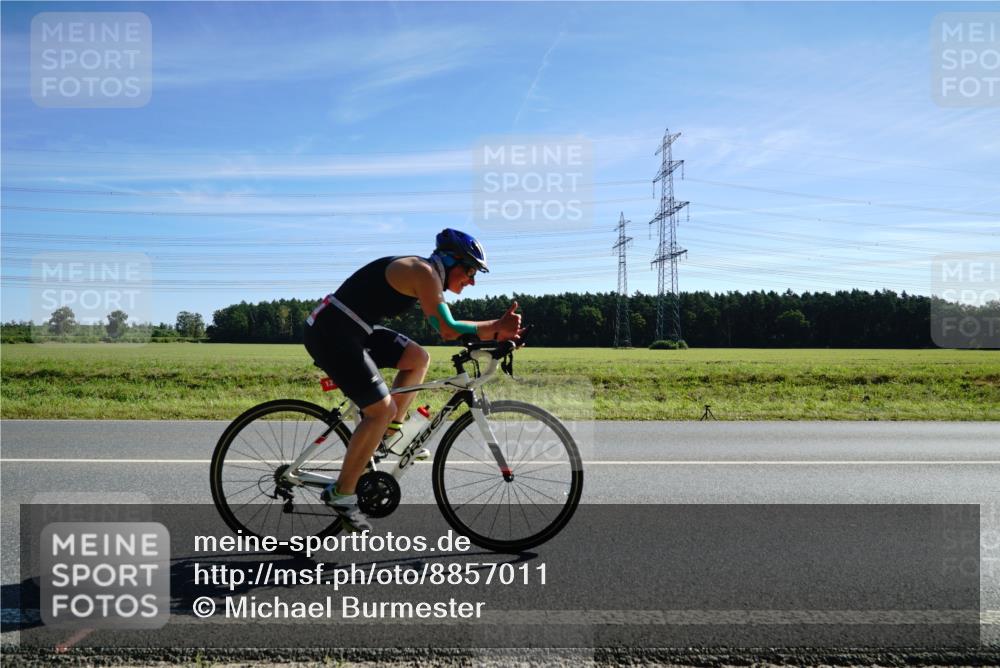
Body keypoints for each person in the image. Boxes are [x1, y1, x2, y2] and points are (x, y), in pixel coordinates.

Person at [303, 229, 523, 532]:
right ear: (451, 260)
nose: (472, 280)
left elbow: (449, 327)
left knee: (417, 358)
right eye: (471, 271)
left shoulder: (426, 274)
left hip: (354, 328)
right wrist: (495, 326)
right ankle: (342, 493)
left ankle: (388, 436)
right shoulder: (423, 272)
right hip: (332, 332)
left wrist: (497, 335)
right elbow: (447, 328)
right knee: (381, 410)